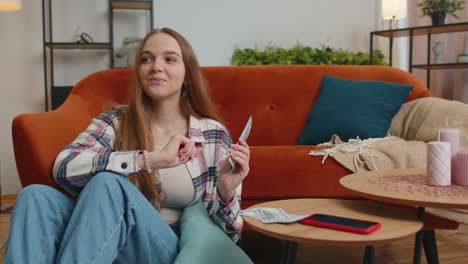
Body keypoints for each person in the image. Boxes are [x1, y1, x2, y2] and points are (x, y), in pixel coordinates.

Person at [5, 27, 250, 263]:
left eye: (170, 59)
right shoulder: (115, 121)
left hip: (170, 248)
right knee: (34, 197)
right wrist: (149, 160)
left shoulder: (213, 135)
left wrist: (226, 193)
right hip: (109, 237)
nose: (156, 67)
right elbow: (63, 167)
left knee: (109, 183)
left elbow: (229, 235)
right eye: (147, 59)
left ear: (187, 75)